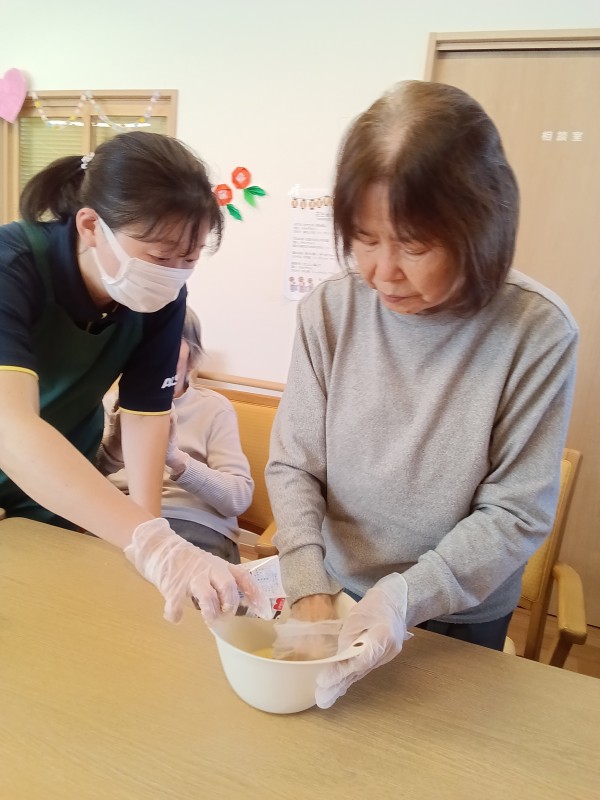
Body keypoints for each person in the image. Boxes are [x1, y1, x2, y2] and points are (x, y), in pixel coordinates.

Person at [265, 81, 578, 707]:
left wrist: (404, 597)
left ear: (480, 228)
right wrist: (308, 585)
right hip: (336, 589)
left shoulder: (537, 331)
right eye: (364, 238)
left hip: (459, 612)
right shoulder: (330, 311)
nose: (383, 272)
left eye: (414, 245)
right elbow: (295, 463)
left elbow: (516, 512)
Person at [0, 131, 266, 624]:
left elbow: (146, 417)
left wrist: (155, 547)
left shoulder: (162, 298)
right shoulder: (12, 265)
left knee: (47, 618)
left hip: (61, 481)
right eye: (160, 256)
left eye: (189, 259)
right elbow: (10, 425)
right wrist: (153, 543)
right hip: (21, 449)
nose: (173, 274)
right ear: (90, 225)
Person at [99, 306, 252, 565]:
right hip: (121, 520)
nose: (154, 353)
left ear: (193, 358)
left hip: (192, 523)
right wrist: (112, 451)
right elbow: (81, 479)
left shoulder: (214, 408)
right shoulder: (110, 404)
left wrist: (175, 458)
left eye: (168, 341)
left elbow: (238, 498)